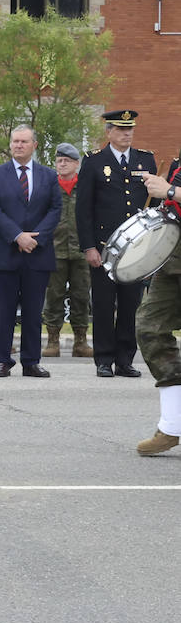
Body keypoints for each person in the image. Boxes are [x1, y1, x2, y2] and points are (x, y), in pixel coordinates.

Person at [76, 109, 155, 378]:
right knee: (103, 305)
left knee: (130, 305)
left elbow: (153, 207)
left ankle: (125, 360)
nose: (127, 134)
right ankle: (104, 359)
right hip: (104, 247)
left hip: (136, 249)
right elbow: (83, 209)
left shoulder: (146, 160)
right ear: (109, 132)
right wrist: (89, 247)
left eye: (130, 129)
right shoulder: (94, 162)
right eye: (121, 129)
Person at [0, 126, 61, 378]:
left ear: (34, 145)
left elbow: (55, 209)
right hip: (5, 252)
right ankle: (3, 359)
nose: (18, 145)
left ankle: (31, 361)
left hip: (37, 253)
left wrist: (36, 238)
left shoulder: (48, 176)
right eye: (15, 141)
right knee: (4, 310)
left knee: (33, 311)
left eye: (24, 141)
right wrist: (17, 236)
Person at [135, 162, 181, 456]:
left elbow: (173, 193)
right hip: (174, 255)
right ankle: (173, 425)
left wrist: (171, 191)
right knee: (150, 329)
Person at [43, 143, 92, 358]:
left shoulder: (86, 186)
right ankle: (52, 340)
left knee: (81, 296)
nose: (62, 164)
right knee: (53, 296)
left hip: (81, 250)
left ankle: (80, 341)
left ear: (76, 164)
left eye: (67, 161)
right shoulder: (49, 186)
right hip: (54, 250)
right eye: (59, 161)